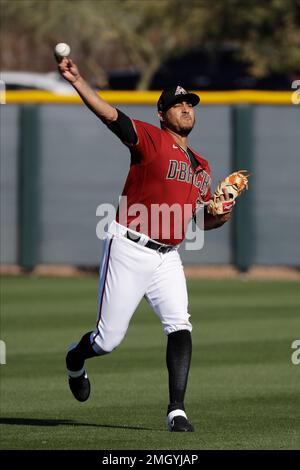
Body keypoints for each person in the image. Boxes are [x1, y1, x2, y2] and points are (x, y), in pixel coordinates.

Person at [57, 56, 231, 432]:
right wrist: (77, 80)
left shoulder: (202, 166)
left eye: (190, 104)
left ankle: (176, 411)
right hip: (129, 247)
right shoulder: (150, 139)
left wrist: (222, 212)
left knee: (180, 325)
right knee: (107, 340)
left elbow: (201, 220)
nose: (186, 108)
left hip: (168, 256)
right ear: (162, 113)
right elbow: (111, 116)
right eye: (178, 104)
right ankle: (75, 359)